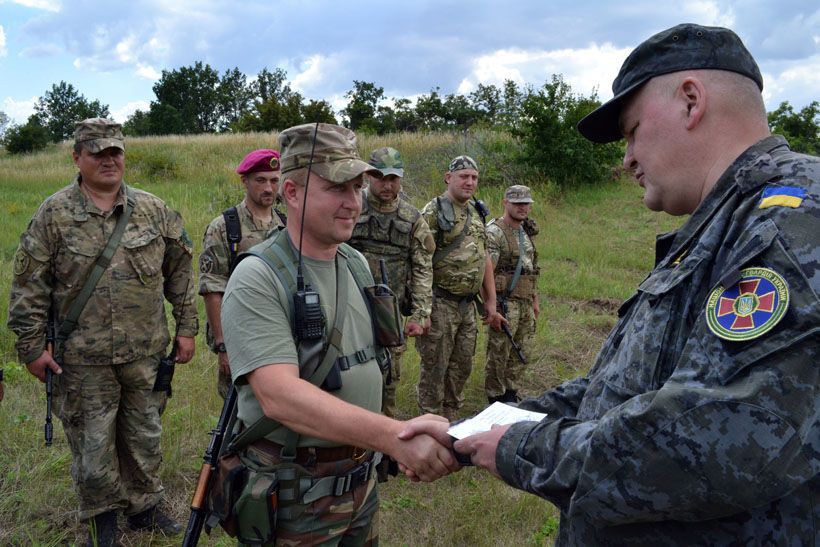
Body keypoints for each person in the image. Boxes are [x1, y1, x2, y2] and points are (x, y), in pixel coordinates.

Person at [402, 23, 819, 545]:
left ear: (691, 102)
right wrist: (473, 429)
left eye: (632, 131)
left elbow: (719, 438)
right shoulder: (726, 221)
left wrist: (518, 448)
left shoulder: (788, 224)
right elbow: (621, 391)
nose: (627, 161)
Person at [220, 123, 458, 545]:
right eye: (337, 188)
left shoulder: (354, 263)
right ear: (291, 193)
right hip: (295, 492)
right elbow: (280, 397)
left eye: (356, 187)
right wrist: (395, 437)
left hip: (360, 481)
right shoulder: (257, 276)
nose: (353, 203)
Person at [7, 118, 199, 546]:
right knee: (93, 444)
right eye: (97, 153)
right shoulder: (53, 214)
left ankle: (145, 506)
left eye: (115, 152)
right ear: (77, 158)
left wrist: (187, 327)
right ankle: (102, 518)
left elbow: (181, 273)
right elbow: (28, 285)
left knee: (144, 434)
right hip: (80, 357)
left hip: (144, 351)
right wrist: (32, 347)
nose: (109, 160)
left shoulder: (155, 209)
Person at [415, 156, 505, 419]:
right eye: (464, 176)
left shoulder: (476, 212)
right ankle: (430, 421)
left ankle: (451, 419)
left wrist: (491, 301)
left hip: (467, 307)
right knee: (435, 367)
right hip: (440, 303)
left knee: (461, 366)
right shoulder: (433, 212)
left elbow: (484, 256)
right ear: (448, 178)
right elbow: (419, 260)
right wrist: (423, 309)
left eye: (474, 177)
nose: (470, 182)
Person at [348, 146, 434, 418]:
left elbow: (422, 267)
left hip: (390, 312)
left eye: (393, 178)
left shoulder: (412, 218)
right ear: (368, 176)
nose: (387, 184)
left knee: (389, 377)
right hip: (349, 308)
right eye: (380, 177)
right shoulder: (350, 208)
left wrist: (421, 313)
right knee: (349, 374)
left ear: (401, 178)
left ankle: (385, 447)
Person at [199, 149, 285, 399]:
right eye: (260, 180)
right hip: (240, 336)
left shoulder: (286, 225)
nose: (269, 188)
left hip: (278, 335)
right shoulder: (225, 227)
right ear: (244, 181)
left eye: (274, 180)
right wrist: (223, 345)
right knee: (238, 410)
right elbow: (212, 287)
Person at [484, 185, 540, 404]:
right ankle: (495, 399)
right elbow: (486, 271)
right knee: (499, 352)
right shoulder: (495, 232)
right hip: (505, 302)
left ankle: (511, 393)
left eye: (526, 203)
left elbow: (532, 267)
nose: (522, 207)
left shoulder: (525, 231)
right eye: (517, 203)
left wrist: (535, 299)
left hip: (525, 301)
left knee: (521, 350)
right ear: (505, 202)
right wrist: (492, 305)